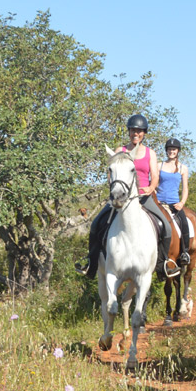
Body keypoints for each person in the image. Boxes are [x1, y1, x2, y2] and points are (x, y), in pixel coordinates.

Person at [76, 114, 181, 279]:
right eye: (133, 130)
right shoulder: (120, 151)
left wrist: (150, 188)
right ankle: (91, 262)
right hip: (121, 198)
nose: (135, 133)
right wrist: (114, 188)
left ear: (144, 133)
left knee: (166, 227)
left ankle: (163, 265)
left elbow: (154, 177)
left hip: (144, 197)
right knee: (96, 223)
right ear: (129, 132)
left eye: (139, 131)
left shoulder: (150, 153)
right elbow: (111, 174)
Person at [157, 137, 191, 267]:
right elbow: (153, 184)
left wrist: (182, 202)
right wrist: (155, 198)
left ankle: (185, 253)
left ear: (178, 151)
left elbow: (185, 188)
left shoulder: (183, 168)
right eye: (170, 149)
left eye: (174, 149)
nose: (172, 151)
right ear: (166, 151)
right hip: (159, 203)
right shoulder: (159, 165)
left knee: (184, 223)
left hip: (174, 204)